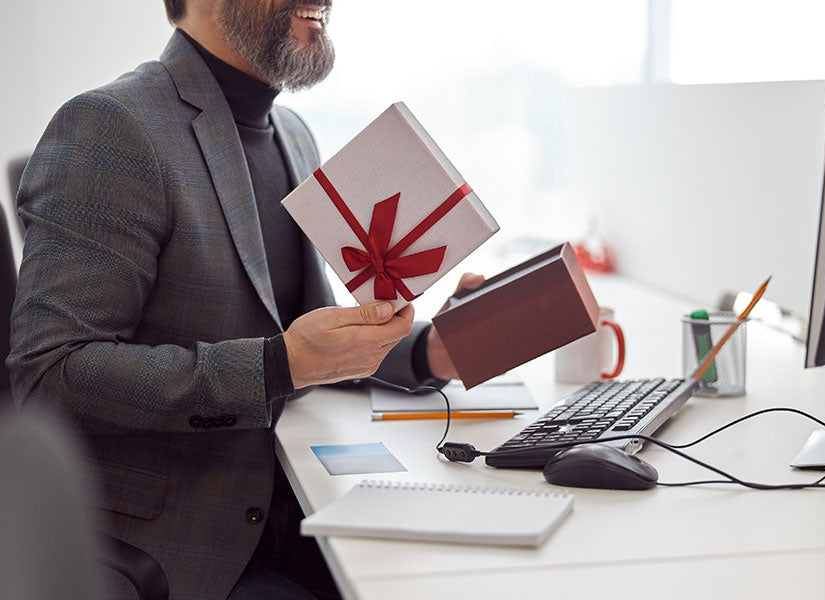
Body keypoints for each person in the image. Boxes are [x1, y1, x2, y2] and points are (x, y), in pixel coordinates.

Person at [7, 1, 481, 598]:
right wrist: (277, 366)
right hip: (181, 544)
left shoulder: (294, 136)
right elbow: (49, 375)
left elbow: (299, 332)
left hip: (294, 509)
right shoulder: (110, 125)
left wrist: (428, 352)